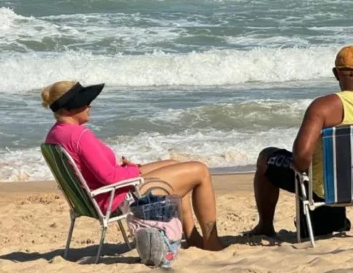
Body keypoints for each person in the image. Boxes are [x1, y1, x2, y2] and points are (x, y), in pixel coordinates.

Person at [42, 80, 224, 251]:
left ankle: (192, 238)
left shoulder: (56, 134)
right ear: (68, 109)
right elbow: (109, 178)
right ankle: (212, 242)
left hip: (97, 198)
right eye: (84, 102)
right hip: (118, 198)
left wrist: (128, 169)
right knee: (199, 170)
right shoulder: (80, 136)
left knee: (175, 165)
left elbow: (95, 173)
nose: (90, 106)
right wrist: (134, 170)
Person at [246, 45, 353, 237]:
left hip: (325, 189)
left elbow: (301, 159)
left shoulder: (324, 107)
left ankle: (265, 226)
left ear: (337, 74)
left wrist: (302, 166)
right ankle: (334, 221)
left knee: (267, 156)